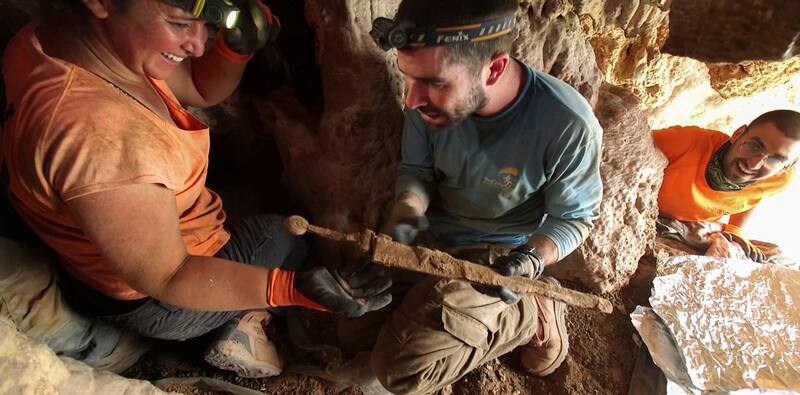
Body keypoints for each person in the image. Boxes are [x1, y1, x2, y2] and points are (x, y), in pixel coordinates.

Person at [1, 0, 391, 378]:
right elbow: (171, 275)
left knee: (246, 194)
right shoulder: (100, 140)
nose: (198, 45)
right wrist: (287, 288)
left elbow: (198, 89)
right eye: (181, 22)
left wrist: (234, 49)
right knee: (282, 235)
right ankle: (247, 326)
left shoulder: (80, 41)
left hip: (120, 239)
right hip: (158, 299)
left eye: (209, 24)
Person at [349, 1, 603, 393]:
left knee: (398, 370)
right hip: (437, 234)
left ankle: (530, 311)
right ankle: (435, 303)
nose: (413, 100)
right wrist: (405, 216)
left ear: (494, 68)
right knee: (352, 325)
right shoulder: (428, 102)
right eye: (410, 79)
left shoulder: (566, 123)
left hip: (500, 256)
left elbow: (574, 218)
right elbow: (416, 171)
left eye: (434, 82)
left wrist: (530, 260)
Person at [654, 110, 800, 262]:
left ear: (786, 166)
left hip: (700, 227)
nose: (753, 164)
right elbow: (630, 146)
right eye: (754, 147)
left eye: (774, 160)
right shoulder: (685, 142)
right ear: (738, 134)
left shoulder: (779, 179)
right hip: (652, 216)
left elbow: (755, 195)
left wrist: (735, 230)